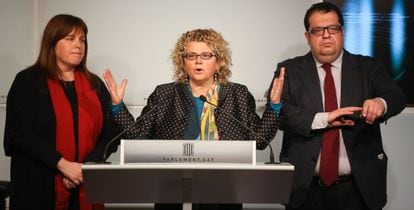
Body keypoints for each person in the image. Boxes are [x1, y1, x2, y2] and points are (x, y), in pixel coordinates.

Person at [104, 28, 285, 210]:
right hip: (172, 189)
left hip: (224, 190)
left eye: (206, 55)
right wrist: (118, 106)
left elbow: (259, 141)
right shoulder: (165, 94)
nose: (198, 61)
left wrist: (274, 106)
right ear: (182, 61)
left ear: (219, 61)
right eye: (191, 55)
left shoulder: (237, 94)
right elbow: (138, 137)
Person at [270, 2, 406, 210]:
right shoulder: (288, 70)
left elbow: (396, 96)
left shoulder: (368, 67)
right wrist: (324, 118)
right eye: (318, 30)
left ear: (342, 32)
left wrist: (380, 102)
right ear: (308, 37)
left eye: (333, 28)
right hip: (304, 188)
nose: (326, 35)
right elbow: (279, 114)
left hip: (358, 188)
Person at [3, 14, 118, 210]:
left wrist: (84, 168)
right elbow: (19, 133)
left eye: (82, 39)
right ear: (52, 42)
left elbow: (111, 133)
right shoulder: (28, 81)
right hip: (40, 185)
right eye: (70, 38)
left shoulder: (94, 84)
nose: (78, 45)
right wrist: (63, 165)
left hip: (85, 182)